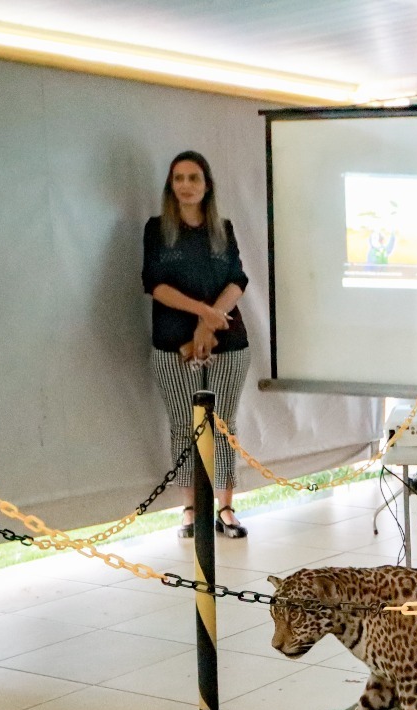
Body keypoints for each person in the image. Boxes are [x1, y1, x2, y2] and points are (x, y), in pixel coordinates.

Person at [142, 150, 251, 539]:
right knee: (183, 425)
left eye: (193, 178)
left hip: (228, 343)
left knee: (223, 424)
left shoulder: (223, 228)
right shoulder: (157, 229)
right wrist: (204, 313)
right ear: (170, 186)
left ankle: (226, 508)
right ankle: (190, 509)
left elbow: (238, 280)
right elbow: (155, 284)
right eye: (178, 178)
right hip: (173, 344)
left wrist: (210, 323)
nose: (186, 185)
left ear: (207, 185)